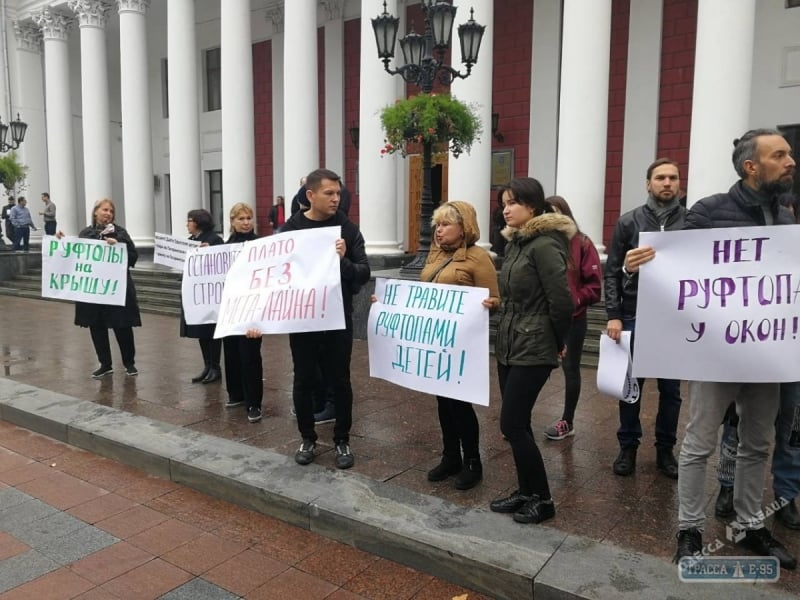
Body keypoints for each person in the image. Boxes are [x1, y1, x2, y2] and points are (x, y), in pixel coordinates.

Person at [673, 129, 796, 569]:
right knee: (699, 443)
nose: (790, 161)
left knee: (758, 443)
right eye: (779, 155)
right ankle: (688, 529)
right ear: (751, 166)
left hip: (767, 354)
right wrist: (640, 265)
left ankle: (749, 525)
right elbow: (678, 271)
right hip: (717, 352)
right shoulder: (707, 212)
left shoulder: (785, 216)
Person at [488, 177, 574, 525]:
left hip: (534, 345)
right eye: (503, 203)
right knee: (514, 424)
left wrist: (557, 341)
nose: (506, 209)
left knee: (512, 422)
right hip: (509, 344)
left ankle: (544, 498)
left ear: (534, 207)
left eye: (513, 203)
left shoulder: (544, 245)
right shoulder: (515, 245)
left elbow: (562, 301)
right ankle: (525, 492)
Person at [281, 168, 370, 469]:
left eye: (338, 193)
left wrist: (343, 261)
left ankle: (342, 440)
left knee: (340, 380)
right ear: (310, 195)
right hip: (302, 319)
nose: (336, 198)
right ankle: (307, 438)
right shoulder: (289, 230)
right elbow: (275, 276)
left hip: (337, 319)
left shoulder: (348, 229)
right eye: (329, 193)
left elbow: (363, 272)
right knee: (303, 379)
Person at [605, 158, 686, 479]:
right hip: (635, 315)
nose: (667, 183)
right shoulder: (628, 222)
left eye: (673, 177)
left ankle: (665, 449)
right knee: (630, 388)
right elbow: (611, 272)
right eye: (661, 178)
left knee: (671, 392)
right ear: (648, 183)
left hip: (675, 321)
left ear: (679, 183)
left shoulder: (692, 222)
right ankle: (628, 447)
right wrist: (613, 315)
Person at [421, 201, 500, 490]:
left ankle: (472, 462)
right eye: (437, 225)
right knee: (443, 401)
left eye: (445, 225)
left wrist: (490, 303)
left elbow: (496, 298)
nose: (439, 230)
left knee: (460, 404)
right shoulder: (435, 255)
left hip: (463, 344)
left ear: (463, 227)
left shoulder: (479, 258)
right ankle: (450, 456)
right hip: (437, 340)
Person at [543, 196, 602, 441]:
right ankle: (518, 418)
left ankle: (567, 421)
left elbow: (594, 286)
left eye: (557, 213)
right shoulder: (539, 243)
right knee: (533, 368)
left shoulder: (582, 243)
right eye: (547, 213)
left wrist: (574, 301)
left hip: (573, 319)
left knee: (571, 369)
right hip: (542, 318)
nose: (552, 218)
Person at [69, 199, 141, 378]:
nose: (108, 213)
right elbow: (74, 255)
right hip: (94, 292)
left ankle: (129, 363)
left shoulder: (120, 233)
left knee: (122, 327)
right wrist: (60, 241)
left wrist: (118, 247)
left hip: (116, 290)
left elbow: (133, 257)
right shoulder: (86, 234)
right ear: (95, 212)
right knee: (97, 327)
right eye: (105, 210)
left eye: (111, 210)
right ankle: (105, 364)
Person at [222, 202, 264, 423]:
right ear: (232, 221)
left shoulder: (261, 245)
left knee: (250, 357)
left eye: (249, 218)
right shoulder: (224, 247)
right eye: (242, 219)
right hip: (230, 311)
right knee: (231, 354)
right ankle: (236, 394)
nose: (246, 222)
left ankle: (254, 403)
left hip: (252, 310)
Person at [180, 209, 224, 384]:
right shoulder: (191, 241)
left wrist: (210, 251)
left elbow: (221, 262)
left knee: (212, 333)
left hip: (210, 296)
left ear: (198, 222)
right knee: (201, 332)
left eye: (189, 220)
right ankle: (207, 366)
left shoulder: (214, 239)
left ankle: (215, 367)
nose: (187, 224)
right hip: (196, 295)